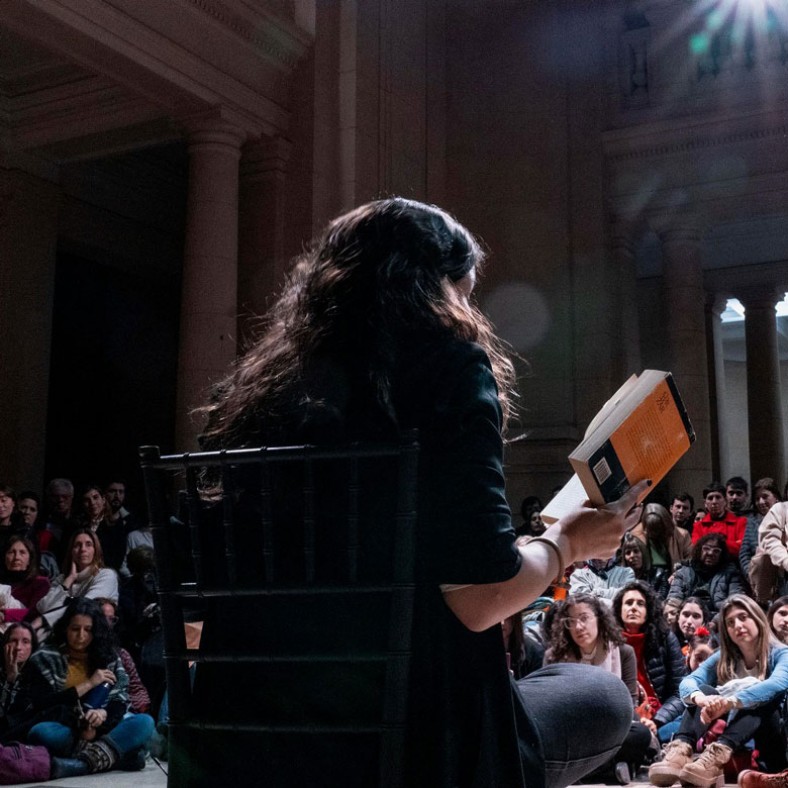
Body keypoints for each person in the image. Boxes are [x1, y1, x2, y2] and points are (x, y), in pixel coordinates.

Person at [195, 198, 649, 787]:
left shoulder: (251, 399)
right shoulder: (449, 369)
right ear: (440, 290)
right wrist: (567, 541)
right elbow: (480, 598)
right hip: (410, 739)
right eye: (464, 292)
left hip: (247, 732)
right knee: (601, 694)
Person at [648, 595, 788, 788]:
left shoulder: (781, 653)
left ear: (758, 618)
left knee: (761, 695)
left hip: (770, 746)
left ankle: (718, 754)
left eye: (743, 617)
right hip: (737, 738)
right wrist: (702, 700)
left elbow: (778, 683)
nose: (737, 625)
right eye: (730, 622)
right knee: (703, 689)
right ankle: (680, 751)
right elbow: (688, 681)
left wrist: (729, 702)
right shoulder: (723, 657)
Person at [23, 598, 154, 777]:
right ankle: (116, 757)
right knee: (40, 732)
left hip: (103, 728)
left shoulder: (109, 657)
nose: (81, 636)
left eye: (88, 630)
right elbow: (43, 705)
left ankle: (81, 764)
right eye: (75, 629)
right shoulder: (46, 658)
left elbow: (120, 700)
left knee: (145, 722)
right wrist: (89, 684)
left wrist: (102, 716)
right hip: (67, 727)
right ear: (65, 629)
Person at [544, 594, 653, 784]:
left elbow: (629, 703)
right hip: (574, 730)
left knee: (640, 734)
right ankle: (612, 770)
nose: (578, 627)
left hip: (611, 728)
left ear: (599, 618)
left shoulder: (623, 652)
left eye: (584, 618)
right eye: (571, 621)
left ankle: (580, 773)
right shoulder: (554, 657)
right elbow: (551, 707)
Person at [613, 581, 687, 743]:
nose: (634, 607)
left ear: (648, 611)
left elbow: (679, 692)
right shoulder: (608, 642)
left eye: (640, 604)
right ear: (619, 610)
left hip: (660, 716)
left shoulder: (665, 638)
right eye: (628, 603)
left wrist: (657, 720)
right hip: (623, 716)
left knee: (691, 718)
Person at [32, 529, 118, 638]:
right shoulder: (63, 579)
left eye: (88, 545)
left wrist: (45, 619)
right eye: (77, 545)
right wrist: (70, 579)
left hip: (93, 634)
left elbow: (85, 605)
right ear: (71, 551)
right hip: (61, 631)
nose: (83, 549)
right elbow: (43, 607)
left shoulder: (106, 575)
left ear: (96, 550)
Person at [667, 533, 744, 613]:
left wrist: (714, 622)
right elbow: (674, 600)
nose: (710, 553)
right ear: (699, 550)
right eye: (706, 549)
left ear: (722, 555)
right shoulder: (683, 572)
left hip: (717, 617)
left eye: (716, 551)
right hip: (687, 616)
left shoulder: (730, 574)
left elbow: (735, 603)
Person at [628, 503, 692, 580]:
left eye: (658, 530)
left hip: (672, 580)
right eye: (652, 532)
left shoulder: (682, 535)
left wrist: (679, 575)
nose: (656, 535)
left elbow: (690, 561)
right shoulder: (635, 536)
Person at [739, 478, 783, 590]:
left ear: (776, 497)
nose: (761, 502)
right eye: (757, 499)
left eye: (765, 497)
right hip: (761, 581)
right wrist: (753, 577)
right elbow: (744, 554)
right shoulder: (749, 523)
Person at [0, 535, 50, 626]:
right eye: (11, 552)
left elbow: (35, 614)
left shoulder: (40, 583)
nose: (16, 557)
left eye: (22, 552)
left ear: (30, 560)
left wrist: (4, 615)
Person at [78, 485, 128, 573]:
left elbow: (117, 558)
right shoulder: (77, 526)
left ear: (103, 500)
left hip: (105, 573)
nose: (92, 503)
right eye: (87, 500)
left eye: (95, 497)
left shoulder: (115, 525)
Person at [693, 482, 747, 559]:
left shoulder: (740, 522)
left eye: (718, 497)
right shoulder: (698, 526)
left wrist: (708, 545)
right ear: (705, 503)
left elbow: (742, 548)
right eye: (710, 498)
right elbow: (697, 549)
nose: (714, 502)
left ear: (725, 501)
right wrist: (730, 544)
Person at [619, 531, 669, 598]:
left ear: (643, 553)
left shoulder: (659, 574)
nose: (632, 555)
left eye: (636, 551)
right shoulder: (619, 578)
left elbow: (661, 601)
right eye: (628, 553)